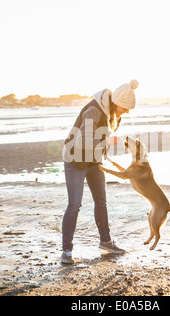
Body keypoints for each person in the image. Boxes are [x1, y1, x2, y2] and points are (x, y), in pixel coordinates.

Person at [61, 79, 139, 264]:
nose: (127, 112)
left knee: (101, 201)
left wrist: (104, 150)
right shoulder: (94, 111)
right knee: (74, 204)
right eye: (126, 108)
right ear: (117, 103)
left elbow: (101, 138)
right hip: (75, 160)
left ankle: (106, 242)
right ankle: (66, 251)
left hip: (94, 160)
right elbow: (83, 142)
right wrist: (106, 143)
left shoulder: (112, 114)